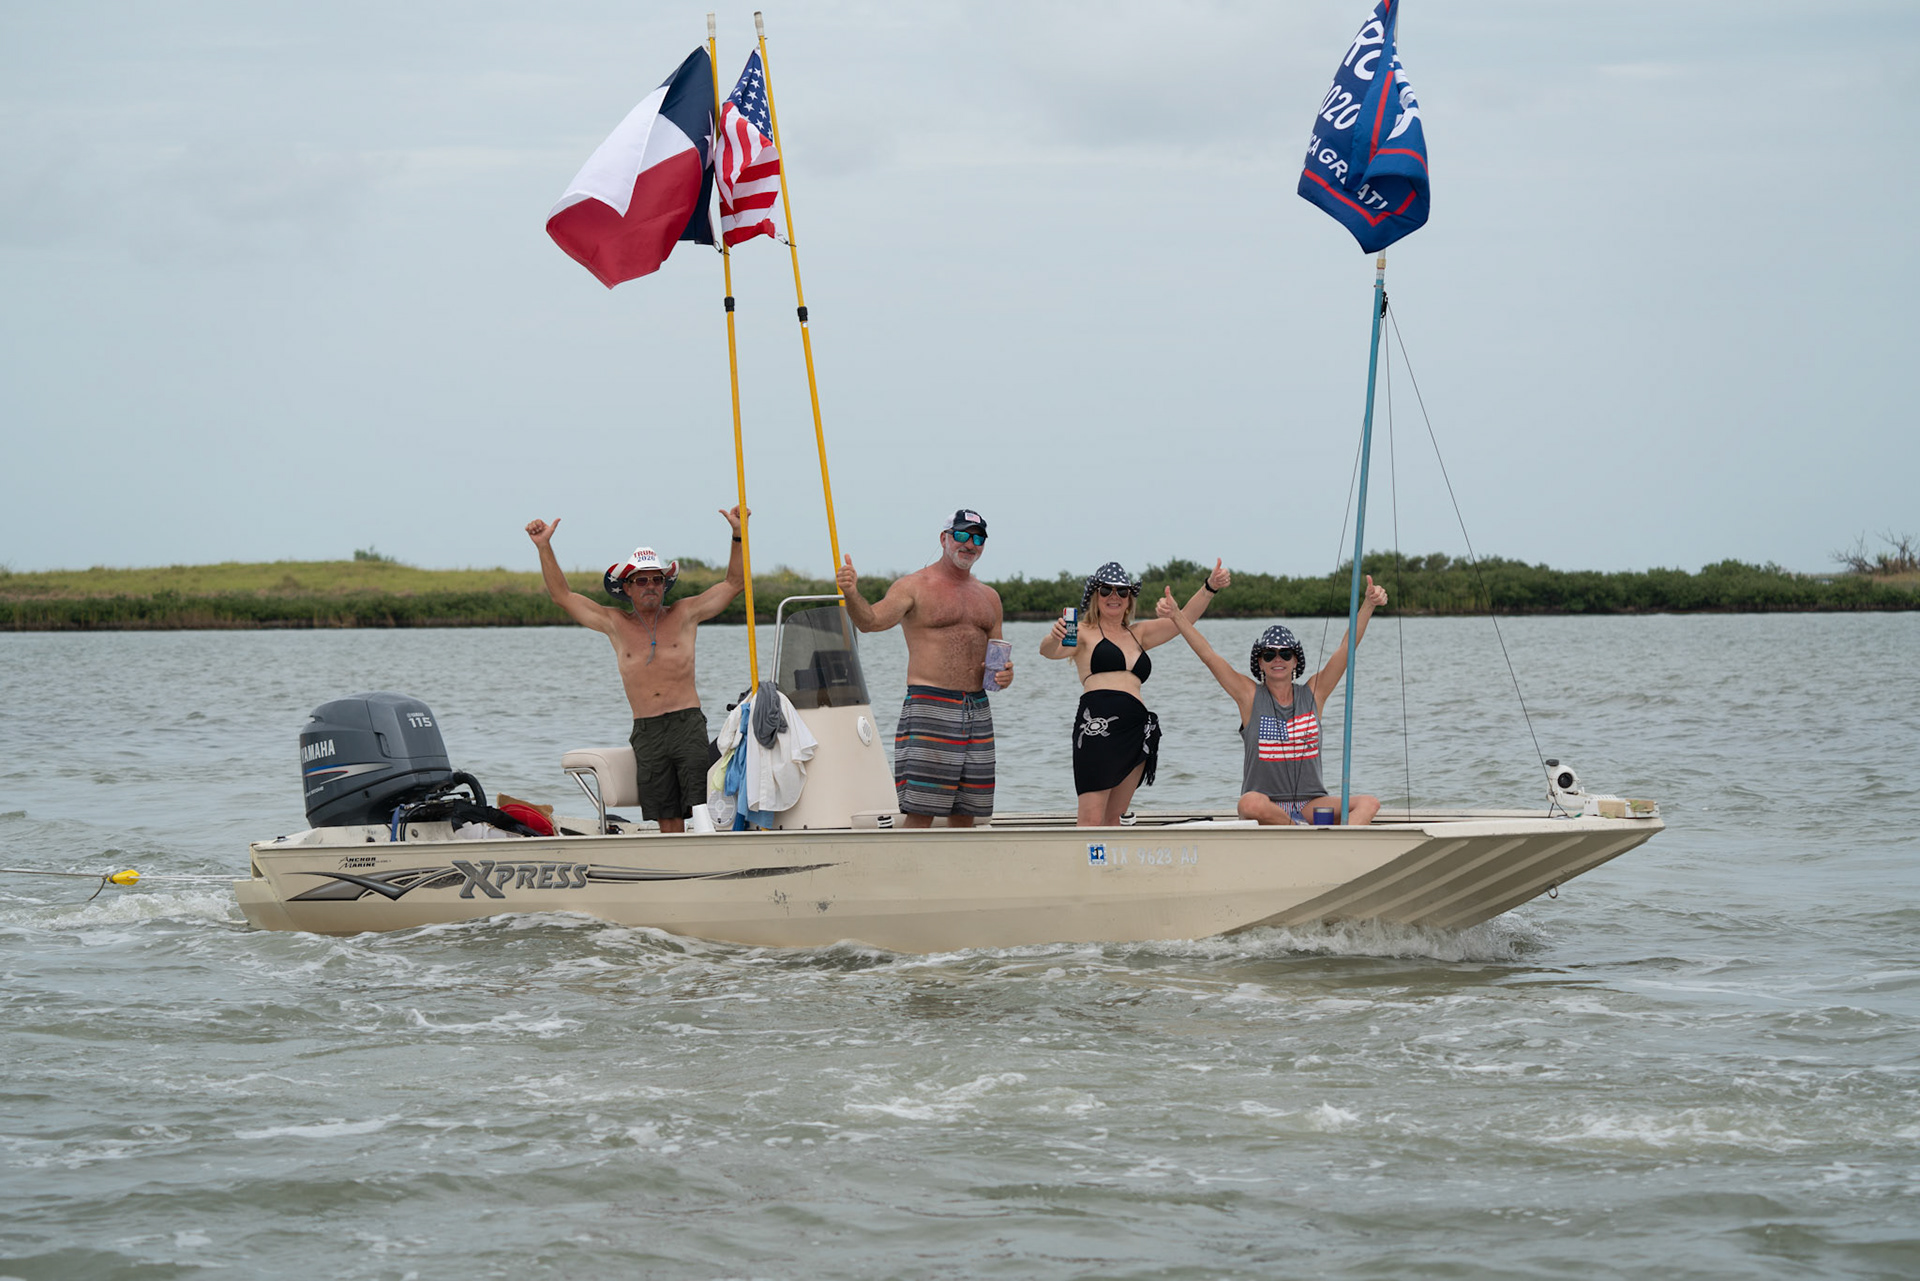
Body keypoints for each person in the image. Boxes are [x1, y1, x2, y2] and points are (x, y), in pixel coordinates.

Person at [525, 508, 746, 834]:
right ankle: (676, 869)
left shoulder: (685, 613)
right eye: (641, 580)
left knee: (701, 805)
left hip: (687, 723)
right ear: (626, 588)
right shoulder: (615, 623)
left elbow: (734, 583)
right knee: (665, 812)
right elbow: (562, 596)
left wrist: (739, 534)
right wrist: (544, 545)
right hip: (647, 729)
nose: (650, 586)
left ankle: (706, 859)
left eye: (657, 579)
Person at [1158, 576, 1388, 826]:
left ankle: (1338, 848)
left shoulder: (1313, 693)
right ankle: (1298, 834)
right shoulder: (1249, 695)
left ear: (1295, 660)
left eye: (1285, 654)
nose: (1278, 660)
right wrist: (1176, 616)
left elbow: (1346, 648)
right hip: (1266, 808)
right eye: (1269, 654)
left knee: (1369, 803)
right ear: (1260, 662)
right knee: (1249, 803)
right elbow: (1208, 655)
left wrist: (1368, 604)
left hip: (1311, 804)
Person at [835, 508, 1014, 827]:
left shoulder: (990, 597)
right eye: (961, 535)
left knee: (967, 812)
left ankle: (956, 875)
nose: (969, 544)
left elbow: (997, 665)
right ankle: (907, 874)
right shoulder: (913, 586)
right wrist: (851, 594)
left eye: (978, 538)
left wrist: (1005, 676)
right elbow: (870, 622)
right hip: (930, 705)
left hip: (978, 709)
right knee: (921, 810)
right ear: (944, 538)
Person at [1039, 560, 1230, 826]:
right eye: (1106, 590)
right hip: (1098, 728)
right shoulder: (1082, 632)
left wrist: (1210, 587)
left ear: (1129, 599)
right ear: (1096, 596)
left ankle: (1111, 868)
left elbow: (1182, 621)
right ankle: (1087, 866)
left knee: (1113, 819)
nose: (1114, 597)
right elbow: (1050, 652)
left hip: (1136, 729)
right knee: (1091, 819)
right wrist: (1053, 637)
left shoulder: (1139, 632)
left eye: (1122, 591)